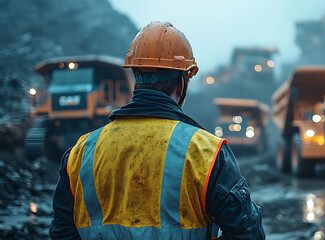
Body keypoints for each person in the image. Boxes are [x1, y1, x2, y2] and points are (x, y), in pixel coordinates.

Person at [49, 21, 265, 240]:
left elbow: (62, 233)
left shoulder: (80, 153)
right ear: (182, 84)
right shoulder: (207, 153)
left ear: (135, 76)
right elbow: (248, 234)